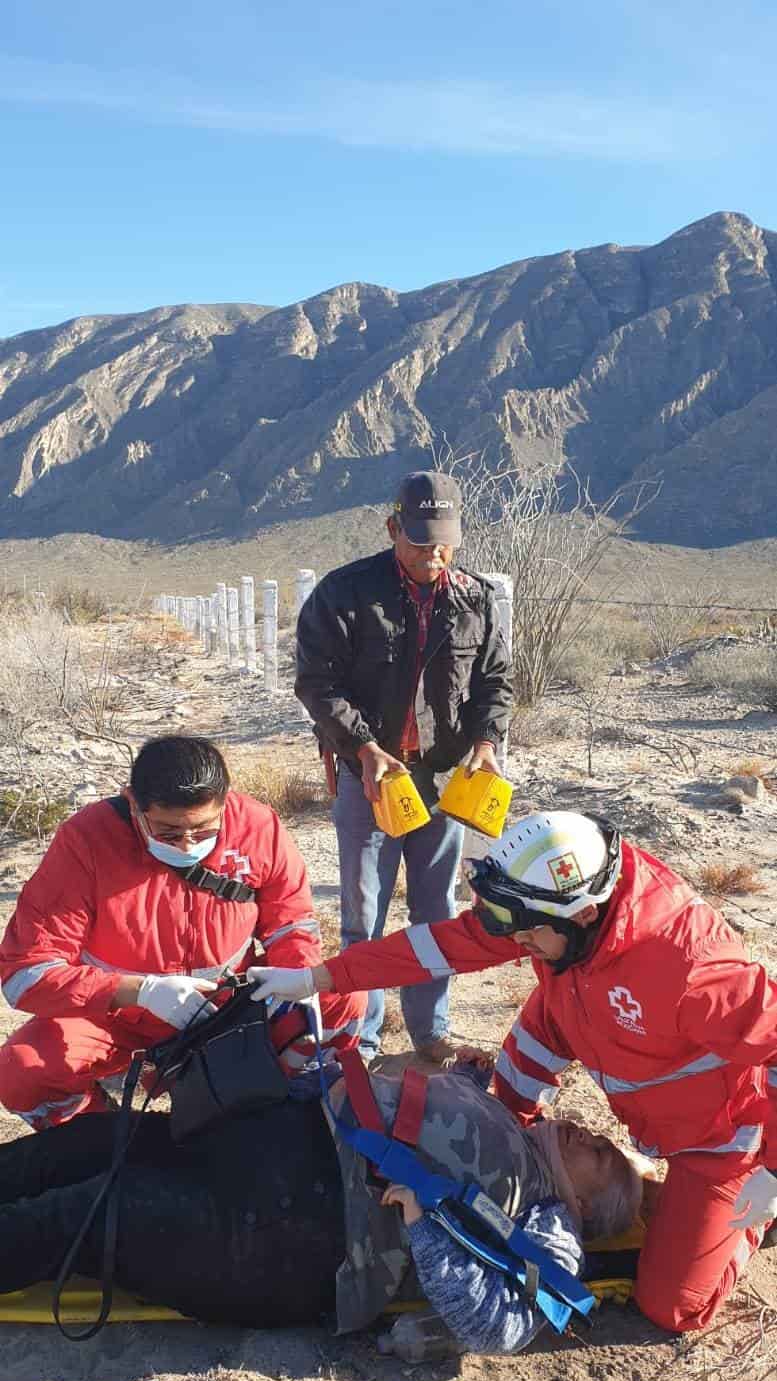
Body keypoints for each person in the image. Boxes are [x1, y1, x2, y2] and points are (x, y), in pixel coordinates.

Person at [251, 810, 777, 1335]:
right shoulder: (550, 907)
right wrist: (320, 977)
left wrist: (772, 1170)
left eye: (526, 936)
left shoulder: (692, 969)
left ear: (584, 915)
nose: (516, 945)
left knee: (674, 1307)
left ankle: (758, 1219)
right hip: (587, 1017)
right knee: (513, 1101)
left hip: (719, 1137)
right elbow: (442, 947)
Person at [0, 1063, 640, 1352]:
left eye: (604, 1158)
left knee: (86, 1213)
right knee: (87, 1144)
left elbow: (497, 1328)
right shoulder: (511, 1122)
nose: (594, 1138)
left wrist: (425, 1226)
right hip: (271, 1146)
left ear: (584, 1204)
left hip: (289, 1237)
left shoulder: (550, 1223)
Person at [0, 735, 363, 1130]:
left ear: (226, 803)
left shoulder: (257, 827)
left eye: (206, 831)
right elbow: (25, 974)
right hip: (121, 1019)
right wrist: (139, 991)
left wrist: (296, 975)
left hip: (230, 1006)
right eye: (169, 833)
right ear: (133, 803)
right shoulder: (86, 841)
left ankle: (283, 1105)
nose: (188, 843)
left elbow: (291, 923)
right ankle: (106, 1141)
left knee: (345, 994)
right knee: (20, 1072)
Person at [295, 469, 512, 1063]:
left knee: (437, 914)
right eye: (418, 540)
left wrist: (487, 744)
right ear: (393, 528)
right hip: (368, 779)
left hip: (444, 782)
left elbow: (494, 683)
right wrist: (364, 749)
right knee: (362, 915)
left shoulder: (477, 598)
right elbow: (318, 686)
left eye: (444, 539)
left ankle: (430, 1033)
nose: (433, 552)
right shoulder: (343, 594)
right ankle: (358, 1039)